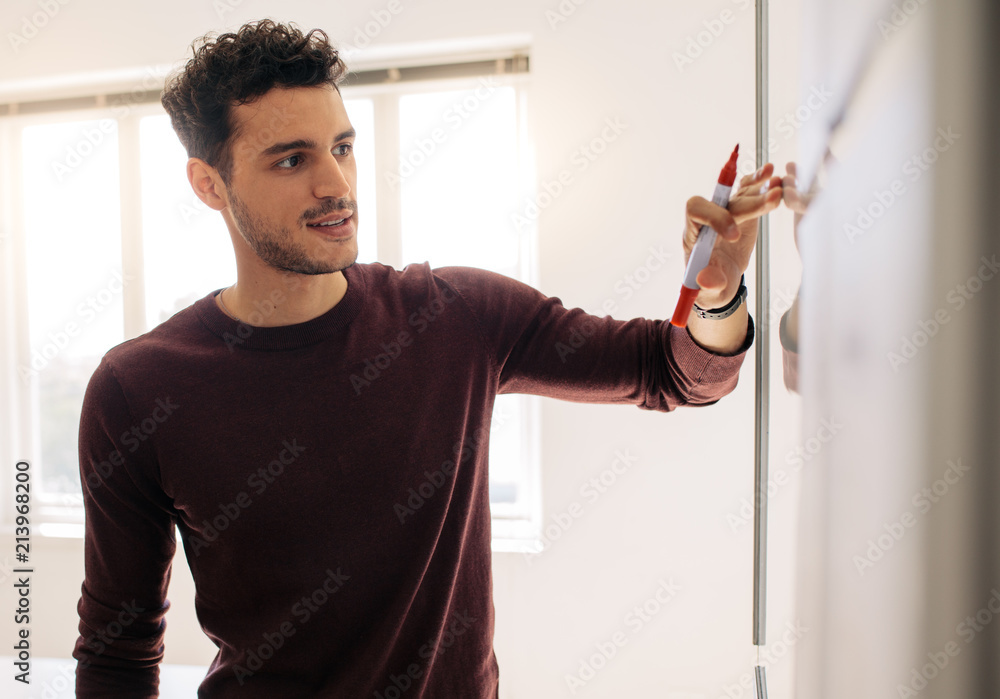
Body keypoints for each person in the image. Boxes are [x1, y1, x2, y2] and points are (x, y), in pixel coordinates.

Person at [71, 19, 783, 698]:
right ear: (209, 185)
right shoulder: (137, 388)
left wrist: (716, 293)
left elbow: (675, 372)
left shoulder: (456, 316)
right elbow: (118, 649)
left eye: (342, 147)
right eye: (293, 158)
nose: (336, 185)